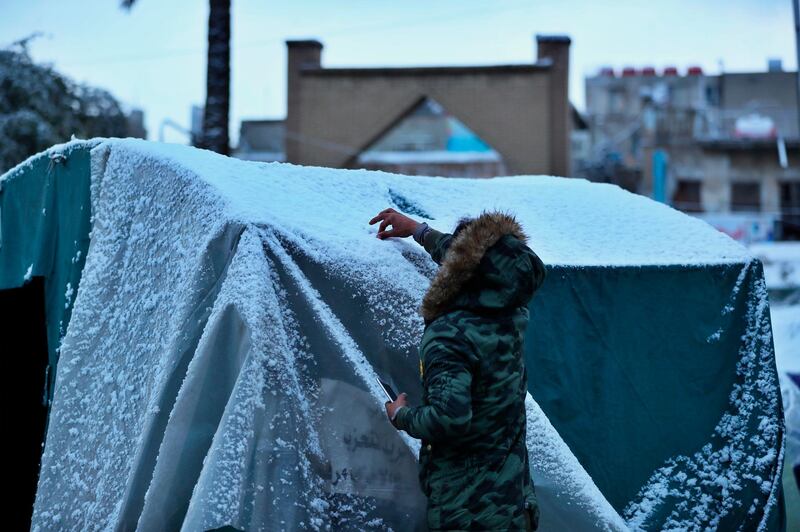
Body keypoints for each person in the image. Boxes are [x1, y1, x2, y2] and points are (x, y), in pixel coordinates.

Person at [368, 207, 547, 531]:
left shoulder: (450, 335)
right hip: (514, 505)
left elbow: (449, 418)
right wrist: (418, 230)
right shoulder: (510, 315)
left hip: (468, 513)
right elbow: (484, 262)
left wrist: (400, 415)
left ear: (462, 268)